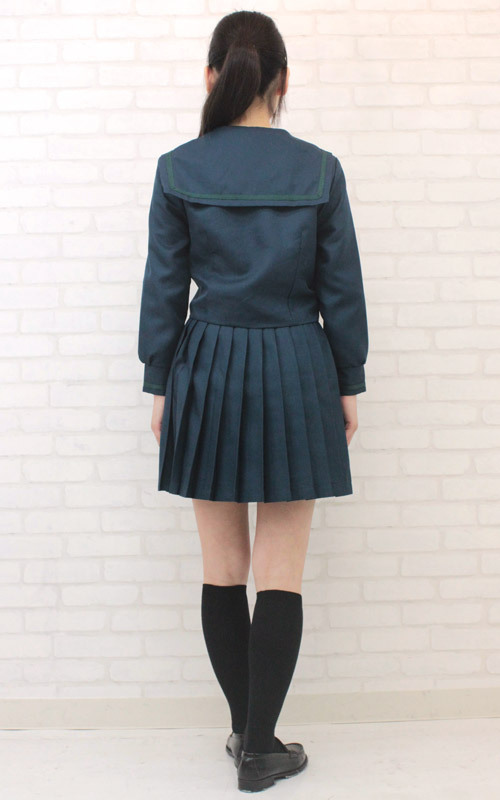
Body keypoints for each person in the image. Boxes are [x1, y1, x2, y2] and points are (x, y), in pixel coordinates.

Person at [137, 9, 369, 793]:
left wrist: (162, 382)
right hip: (299, 367)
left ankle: (246, 736)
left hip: (206, 369)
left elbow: (163, 290)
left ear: (212, 77)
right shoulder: (319, 170)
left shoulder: (178, 168)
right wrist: (348, 379)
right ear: (283, 81)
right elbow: (342, 290)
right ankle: (261, 744)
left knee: (222, 569)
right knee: (279, 572)